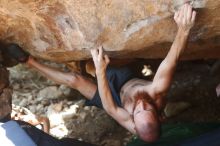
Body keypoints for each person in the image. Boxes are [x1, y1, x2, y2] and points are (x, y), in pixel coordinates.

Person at [7, 4, 196, 142]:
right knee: (92, 67)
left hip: (111, 98)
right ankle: (86, 66)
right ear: (158, 113)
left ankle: (28, 61)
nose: (141, 105)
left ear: (133, 121)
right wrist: (184, 29)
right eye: (147, 109)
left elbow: (109, 107)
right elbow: (171, 60)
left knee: (77, 80)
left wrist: (101, 70)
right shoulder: (157, 92)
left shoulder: (128, 120)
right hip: (126, 78)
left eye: (138, 111)